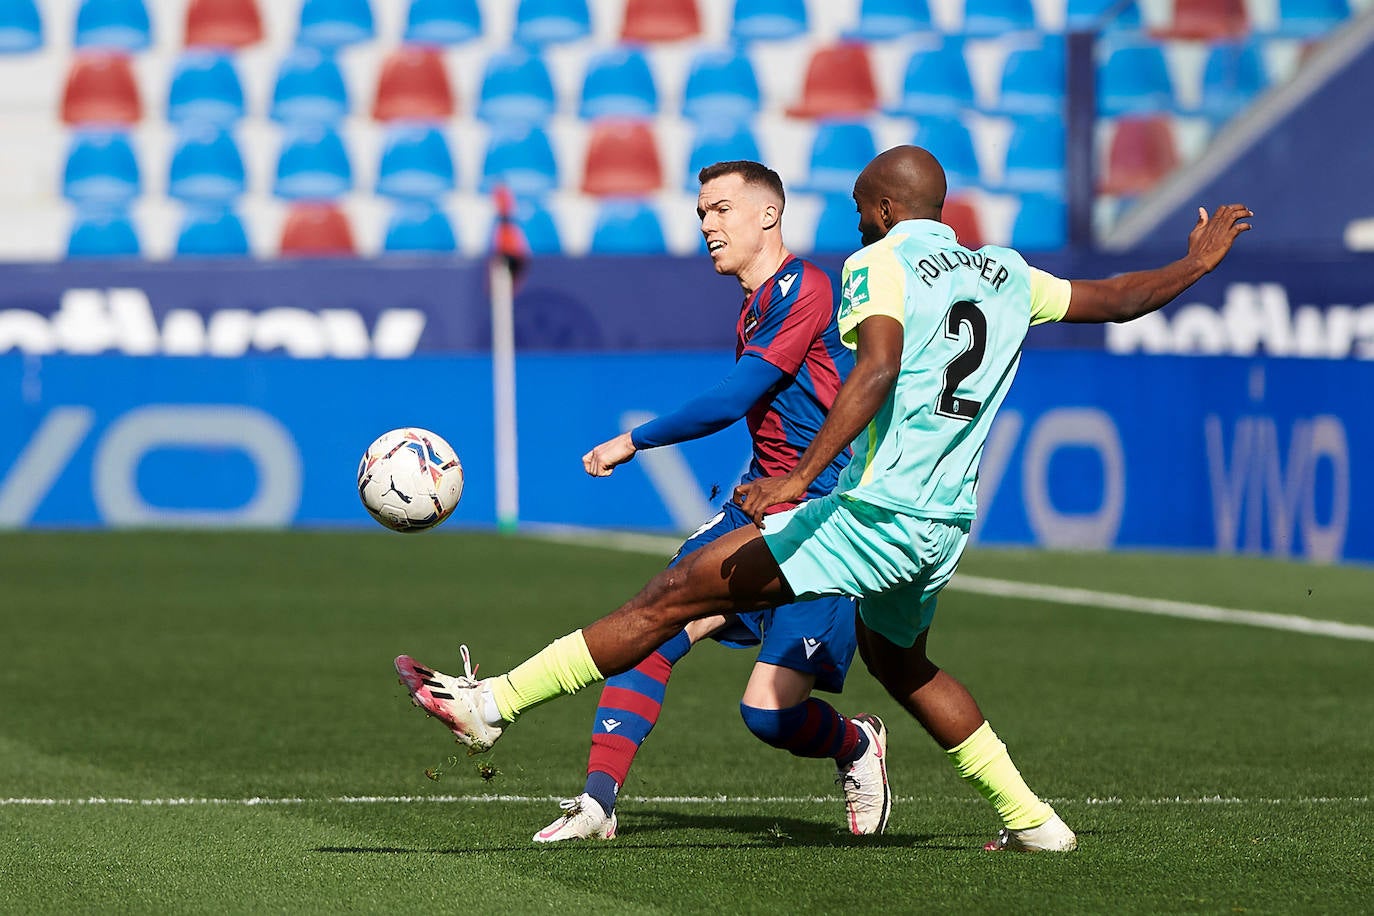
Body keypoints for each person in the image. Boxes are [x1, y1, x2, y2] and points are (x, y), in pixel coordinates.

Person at [395, 146, 1253, 852]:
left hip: (872, 514)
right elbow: (1120, 300)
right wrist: (1195, 263)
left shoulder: (877, 263)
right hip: (946, 524)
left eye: (857, 206)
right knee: (902, 665)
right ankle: (1036, 823)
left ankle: (492, 705)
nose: (853, 219)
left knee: (675, 591)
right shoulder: (1006, 272)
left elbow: (874, 368)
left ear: (883, 208)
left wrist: (801, 478)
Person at [406, 160, 894, 842]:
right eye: (701, 213)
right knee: (649, 631)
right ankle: (597, 802)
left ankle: (855, 744)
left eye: (721, 209)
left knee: (768, 715)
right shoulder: (757, 302)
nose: (707, 225)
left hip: (820, 521)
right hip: (756, 509)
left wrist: (633, 441)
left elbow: (731, 401)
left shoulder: (805, 288)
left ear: (768, 215)